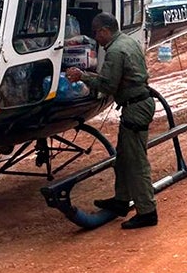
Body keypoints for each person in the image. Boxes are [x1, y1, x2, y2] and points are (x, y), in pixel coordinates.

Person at [64, 13, 157, 229]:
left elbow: (108, 86)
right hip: (138, 104)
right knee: (124, 159)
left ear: (105, 30)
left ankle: (148, 212)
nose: (96, 38)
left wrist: (82, 76)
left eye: (97, 33)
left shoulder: (115, 51)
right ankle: (121, 200)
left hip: (135, 108)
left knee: (136, 164)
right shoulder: (128, 41)